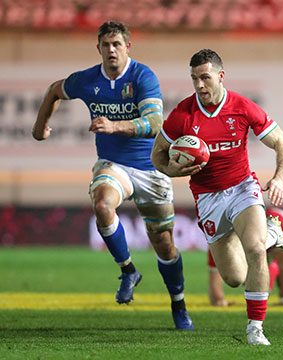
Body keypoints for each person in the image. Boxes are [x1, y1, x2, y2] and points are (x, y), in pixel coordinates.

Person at [31, 21, 194, 330]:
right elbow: (55, 89)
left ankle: (178, 303)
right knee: (103, 204)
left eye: (117, 44)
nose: (111, 50)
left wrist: (115, 125)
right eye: (105, 45)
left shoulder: (143, 76)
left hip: (150, 167)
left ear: (127, 47)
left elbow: (155, 122)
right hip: (113, 164)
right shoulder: (88, 79)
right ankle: (128, 270)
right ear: (98, 48)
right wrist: (41, 126)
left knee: (164, 243)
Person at [150, 49, 283, 346]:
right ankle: (273, 235)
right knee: (234, 278)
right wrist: (175, 170)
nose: (199, 85)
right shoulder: (182, 115)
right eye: (194, 78)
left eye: (205, 77)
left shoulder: (242, 107)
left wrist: (279, 178)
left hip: (243, 187)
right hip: (207, 197)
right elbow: (157, 157)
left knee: (254, 249)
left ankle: (255, 329)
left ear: (220, 76)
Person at [206, 208, 283, 306]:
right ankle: (267, 283)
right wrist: (218, 300)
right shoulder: (220, 239)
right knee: (245, 275)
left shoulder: (271, 225)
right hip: (255, 237)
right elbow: (215, 276)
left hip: (282, 226)